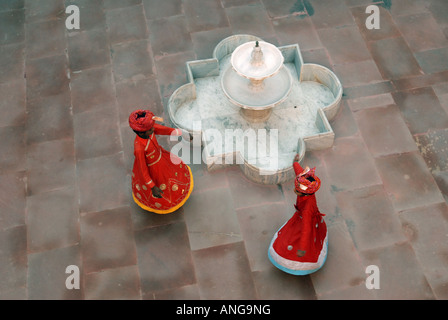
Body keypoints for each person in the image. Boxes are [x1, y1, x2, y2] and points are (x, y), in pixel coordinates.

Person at [268, 154, 328, 275]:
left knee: (297, 234)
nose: (295, 191)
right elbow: (299, 172)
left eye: (298, 191)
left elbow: (306, 229)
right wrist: (295, 162)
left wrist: (302, 248)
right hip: (301, 216)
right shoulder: (306, 184)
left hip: (304, 220)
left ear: (304, 193)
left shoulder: (307, 210)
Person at [128, 109, 194, 214]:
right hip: (153, 169)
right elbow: (142, 168)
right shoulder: (139, 147)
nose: (153, 130)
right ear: (141, 132)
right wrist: (152, 186)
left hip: (161, 158)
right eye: (150, 130)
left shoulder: (149, 130)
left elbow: (165, 130)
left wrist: (182, 133)